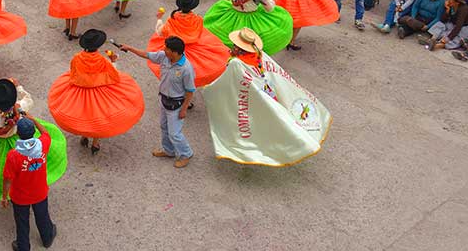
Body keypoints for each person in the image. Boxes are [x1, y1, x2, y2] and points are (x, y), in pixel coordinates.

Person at [202, 28, 332, 167]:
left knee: (256, 121)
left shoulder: (236, 63)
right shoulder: (259, 55)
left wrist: (210, 89)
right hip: (265, 92)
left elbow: (228, 81)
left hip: (250, 96)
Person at [47, 29, 145, 155]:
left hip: (80, 91)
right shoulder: (101, 60)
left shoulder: (77, 58)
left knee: (83, 114)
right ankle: (95, 142)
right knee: (98, 116)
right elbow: (113, 76)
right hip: (100, 92)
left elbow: (74, 74)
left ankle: (84, 136)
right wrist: (113, 61)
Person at [0, 77, 67, 201]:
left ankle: (6, 193)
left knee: (3, 170)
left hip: (0, 145)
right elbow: (29, 99)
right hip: (21, 137)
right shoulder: (20, 107)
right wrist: (18, 87)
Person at [117, 36, 195, 168]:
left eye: (167, 48)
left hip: (176, 104)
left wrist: (184, 108)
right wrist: (129, 48)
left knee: (174, 133)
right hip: (164, 99)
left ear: (175, 52)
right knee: (164, 127)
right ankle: (169, 151)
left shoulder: (186, 69)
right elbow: (147, 55)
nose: (164, 50)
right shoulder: (164, 57)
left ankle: (186, 154)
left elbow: (190, 90)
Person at [1, 117, 57, 251]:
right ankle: (47, 238)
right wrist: (32, 119)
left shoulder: (13, 155)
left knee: (22, 222)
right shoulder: (43, 144)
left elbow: (7, 179)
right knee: (43, 216)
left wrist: (4, 197)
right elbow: (45, 133)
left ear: (18, 134)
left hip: (20, 197)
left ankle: (24, 249)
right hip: (40, 192)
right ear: (33, 132)